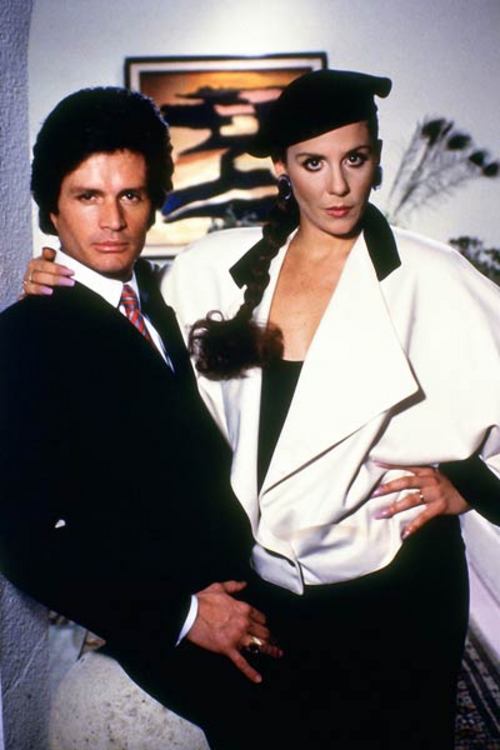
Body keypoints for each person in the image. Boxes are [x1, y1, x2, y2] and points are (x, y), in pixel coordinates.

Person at [25, 71, 500, 749]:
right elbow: (122, 324)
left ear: (376, 160)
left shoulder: (433, 274)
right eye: (313, 163)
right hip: (271, 591)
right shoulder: (211, 271)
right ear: (282, 167)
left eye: (355, 159)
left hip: (401, 586)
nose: (338, 186)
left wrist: (467, 484)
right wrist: (57, 284)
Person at [0, 86, 285, 750]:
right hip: (171, 633)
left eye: (130, 195)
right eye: (88, 196)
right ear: (52, 210)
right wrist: (182, 615)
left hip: (249, 596)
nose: (113, 220)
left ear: (154, 200)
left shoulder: (161, 301)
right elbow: (20, 542)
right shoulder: (24, 337)